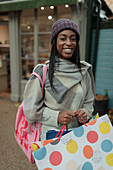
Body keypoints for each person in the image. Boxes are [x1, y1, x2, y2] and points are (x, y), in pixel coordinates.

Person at [23, 18, 95, 140]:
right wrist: (56, 116)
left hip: (78, 137)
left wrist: (85, 113)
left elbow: (89, 102)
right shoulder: (42, 71)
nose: (68, 43)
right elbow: (30, 110)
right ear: (54, 41)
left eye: (73, 39)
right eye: (63, 38)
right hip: (50, 139)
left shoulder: (84, 71)